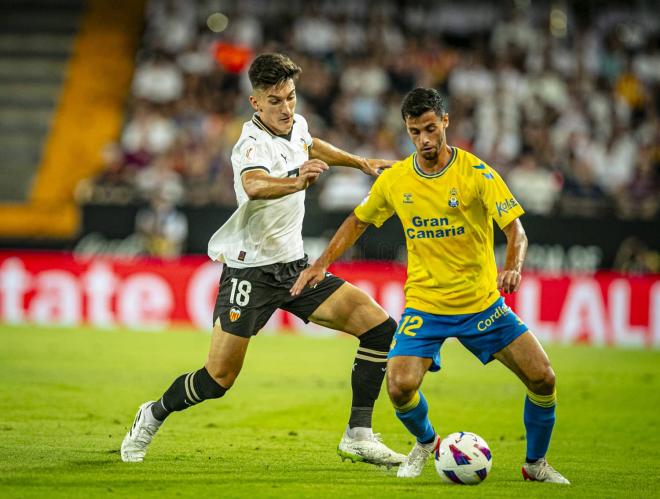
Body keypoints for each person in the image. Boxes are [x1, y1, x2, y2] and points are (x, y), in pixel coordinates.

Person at [121, 53, 404, 467]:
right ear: (256, 103)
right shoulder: (249, 144)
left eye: (290, 97)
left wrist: (360, 162)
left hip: (295, 269)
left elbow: (309, 143)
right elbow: (253, 185)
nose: (286, 108)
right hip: (250, 273)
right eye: (275, 101)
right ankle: (152, 414)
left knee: (379, 328)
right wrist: (295, 180)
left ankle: (358, 434)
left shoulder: (297, 124)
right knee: (218, 379)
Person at [292, 88, 570, 484]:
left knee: (543, 378)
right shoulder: (397, 179)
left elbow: (515, 230)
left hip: (482, 304)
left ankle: (536, 465)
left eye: (429, 128)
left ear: (445, 122)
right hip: (426, 306)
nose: (423, 139)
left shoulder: (476, 172)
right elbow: (357, 221)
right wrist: (321, 264)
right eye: (414, 131)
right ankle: (427, 442)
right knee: (400, 386)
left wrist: (512, 267)